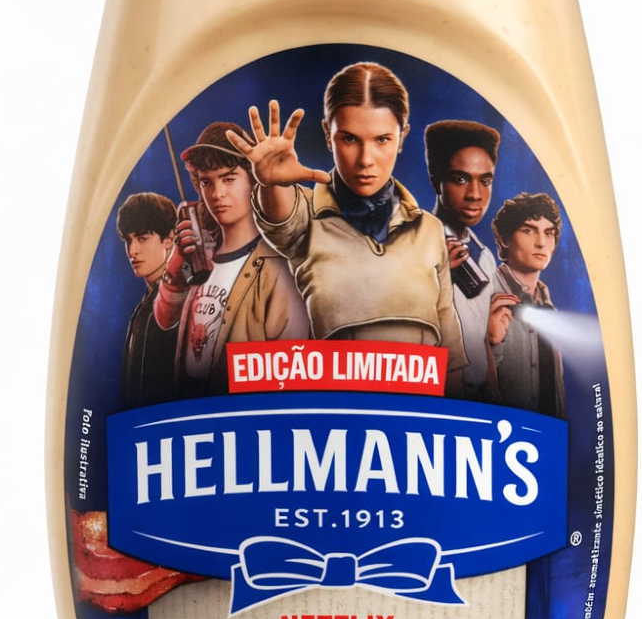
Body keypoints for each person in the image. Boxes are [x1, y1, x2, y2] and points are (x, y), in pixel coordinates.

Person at [226, 65, 469, 383]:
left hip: (417, 409)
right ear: (328, 135)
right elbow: (281, 218)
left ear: (402, 137)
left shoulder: (430, 230)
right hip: (337, 406)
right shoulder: (309, 219)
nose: (366, 159)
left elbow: (450, 357)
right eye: (350, 138)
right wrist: (271, 183)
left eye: (382, 139)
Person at [151, 121, 310, 397]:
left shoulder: (279, 266)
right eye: (206, 182)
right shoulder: (200, 257)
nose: (217, 194)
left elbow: (290, 375)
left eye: (228, 179)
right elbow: (164, 320)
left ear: (253, 178)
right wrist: (174, 272)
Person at [424, 119, 502, 395]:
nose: (475, 195)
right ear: (436, 180)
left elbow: (482, 339)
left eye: (485, 181)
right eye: (460, 179)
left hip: (478, 401)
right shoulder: (414, 244)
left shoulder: (484, 256)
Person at [483, 193, 566, 417]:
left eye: (548, 233)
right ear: (504, 239)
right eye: (528, 230)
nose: (541, 242)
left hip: (547, 434)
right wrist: (491, 345)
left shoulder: (547, 305)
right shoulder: (481, 295)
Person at [115, 192, 180, 407]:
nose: (132, 251)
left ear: (169, 239)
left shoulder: (183, 302)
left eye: (142, 238)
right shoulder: (146, 303)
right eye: (128, 240)